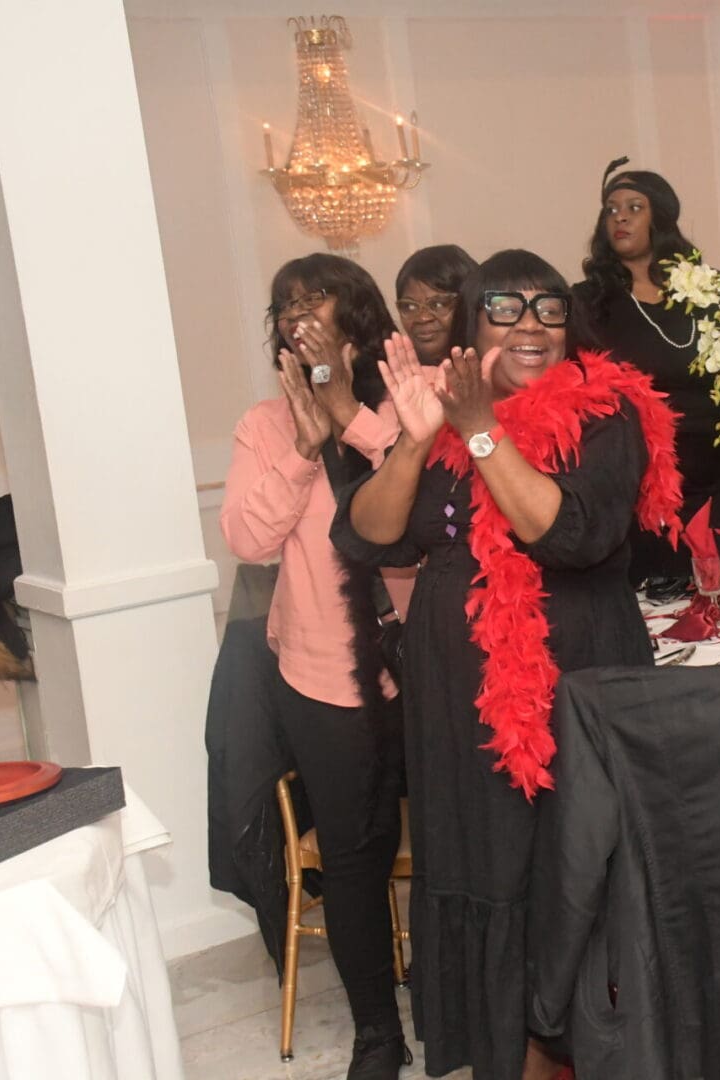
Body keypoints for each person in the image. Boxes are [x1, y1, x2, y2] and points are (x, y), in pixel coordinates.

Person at [331, 249, 682, 1080]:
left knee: (575, 870)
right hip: (461, 705)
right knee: (486, 870)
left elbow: (568, 534)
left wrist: (481, 427)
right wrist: (418, 444)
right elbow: (368, 534)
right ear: (469, 328)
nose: (530, 323)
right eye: (506, 306)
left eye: (548, 307)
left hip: (578, 688)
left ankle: (585, 1054)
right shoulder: (443, 424)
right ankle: (509, 1054)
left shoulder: (609, 412)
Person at [218, 253, 410, 1079]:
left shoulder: (410, 395)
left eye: (318, 297)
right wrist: (303, 448)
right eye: (286, 304)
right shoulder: (263, 426)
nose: (301, 314)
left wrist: (353, 419)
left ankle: (450, 998)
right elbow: (248, 541)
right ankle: (378, 1034)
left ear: (359, 313)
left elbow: (443, 498)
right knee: (355, 856)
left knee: (453, 839)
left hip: (429, 668)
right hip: (324, 678)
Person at [574, 159, 720, 583]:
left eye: (634, 207)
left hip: (719, 478)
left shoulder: (707, 292)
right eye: (611, 209)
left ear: (662, 219)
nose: (619, 216)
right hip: (644, 489)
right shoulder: (588, 304)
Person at [396, 244, 477, 366]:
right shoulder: (396, 375)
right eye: (410, 307)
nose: (423, 318)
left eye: (438, 304)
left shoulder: (496, 373)